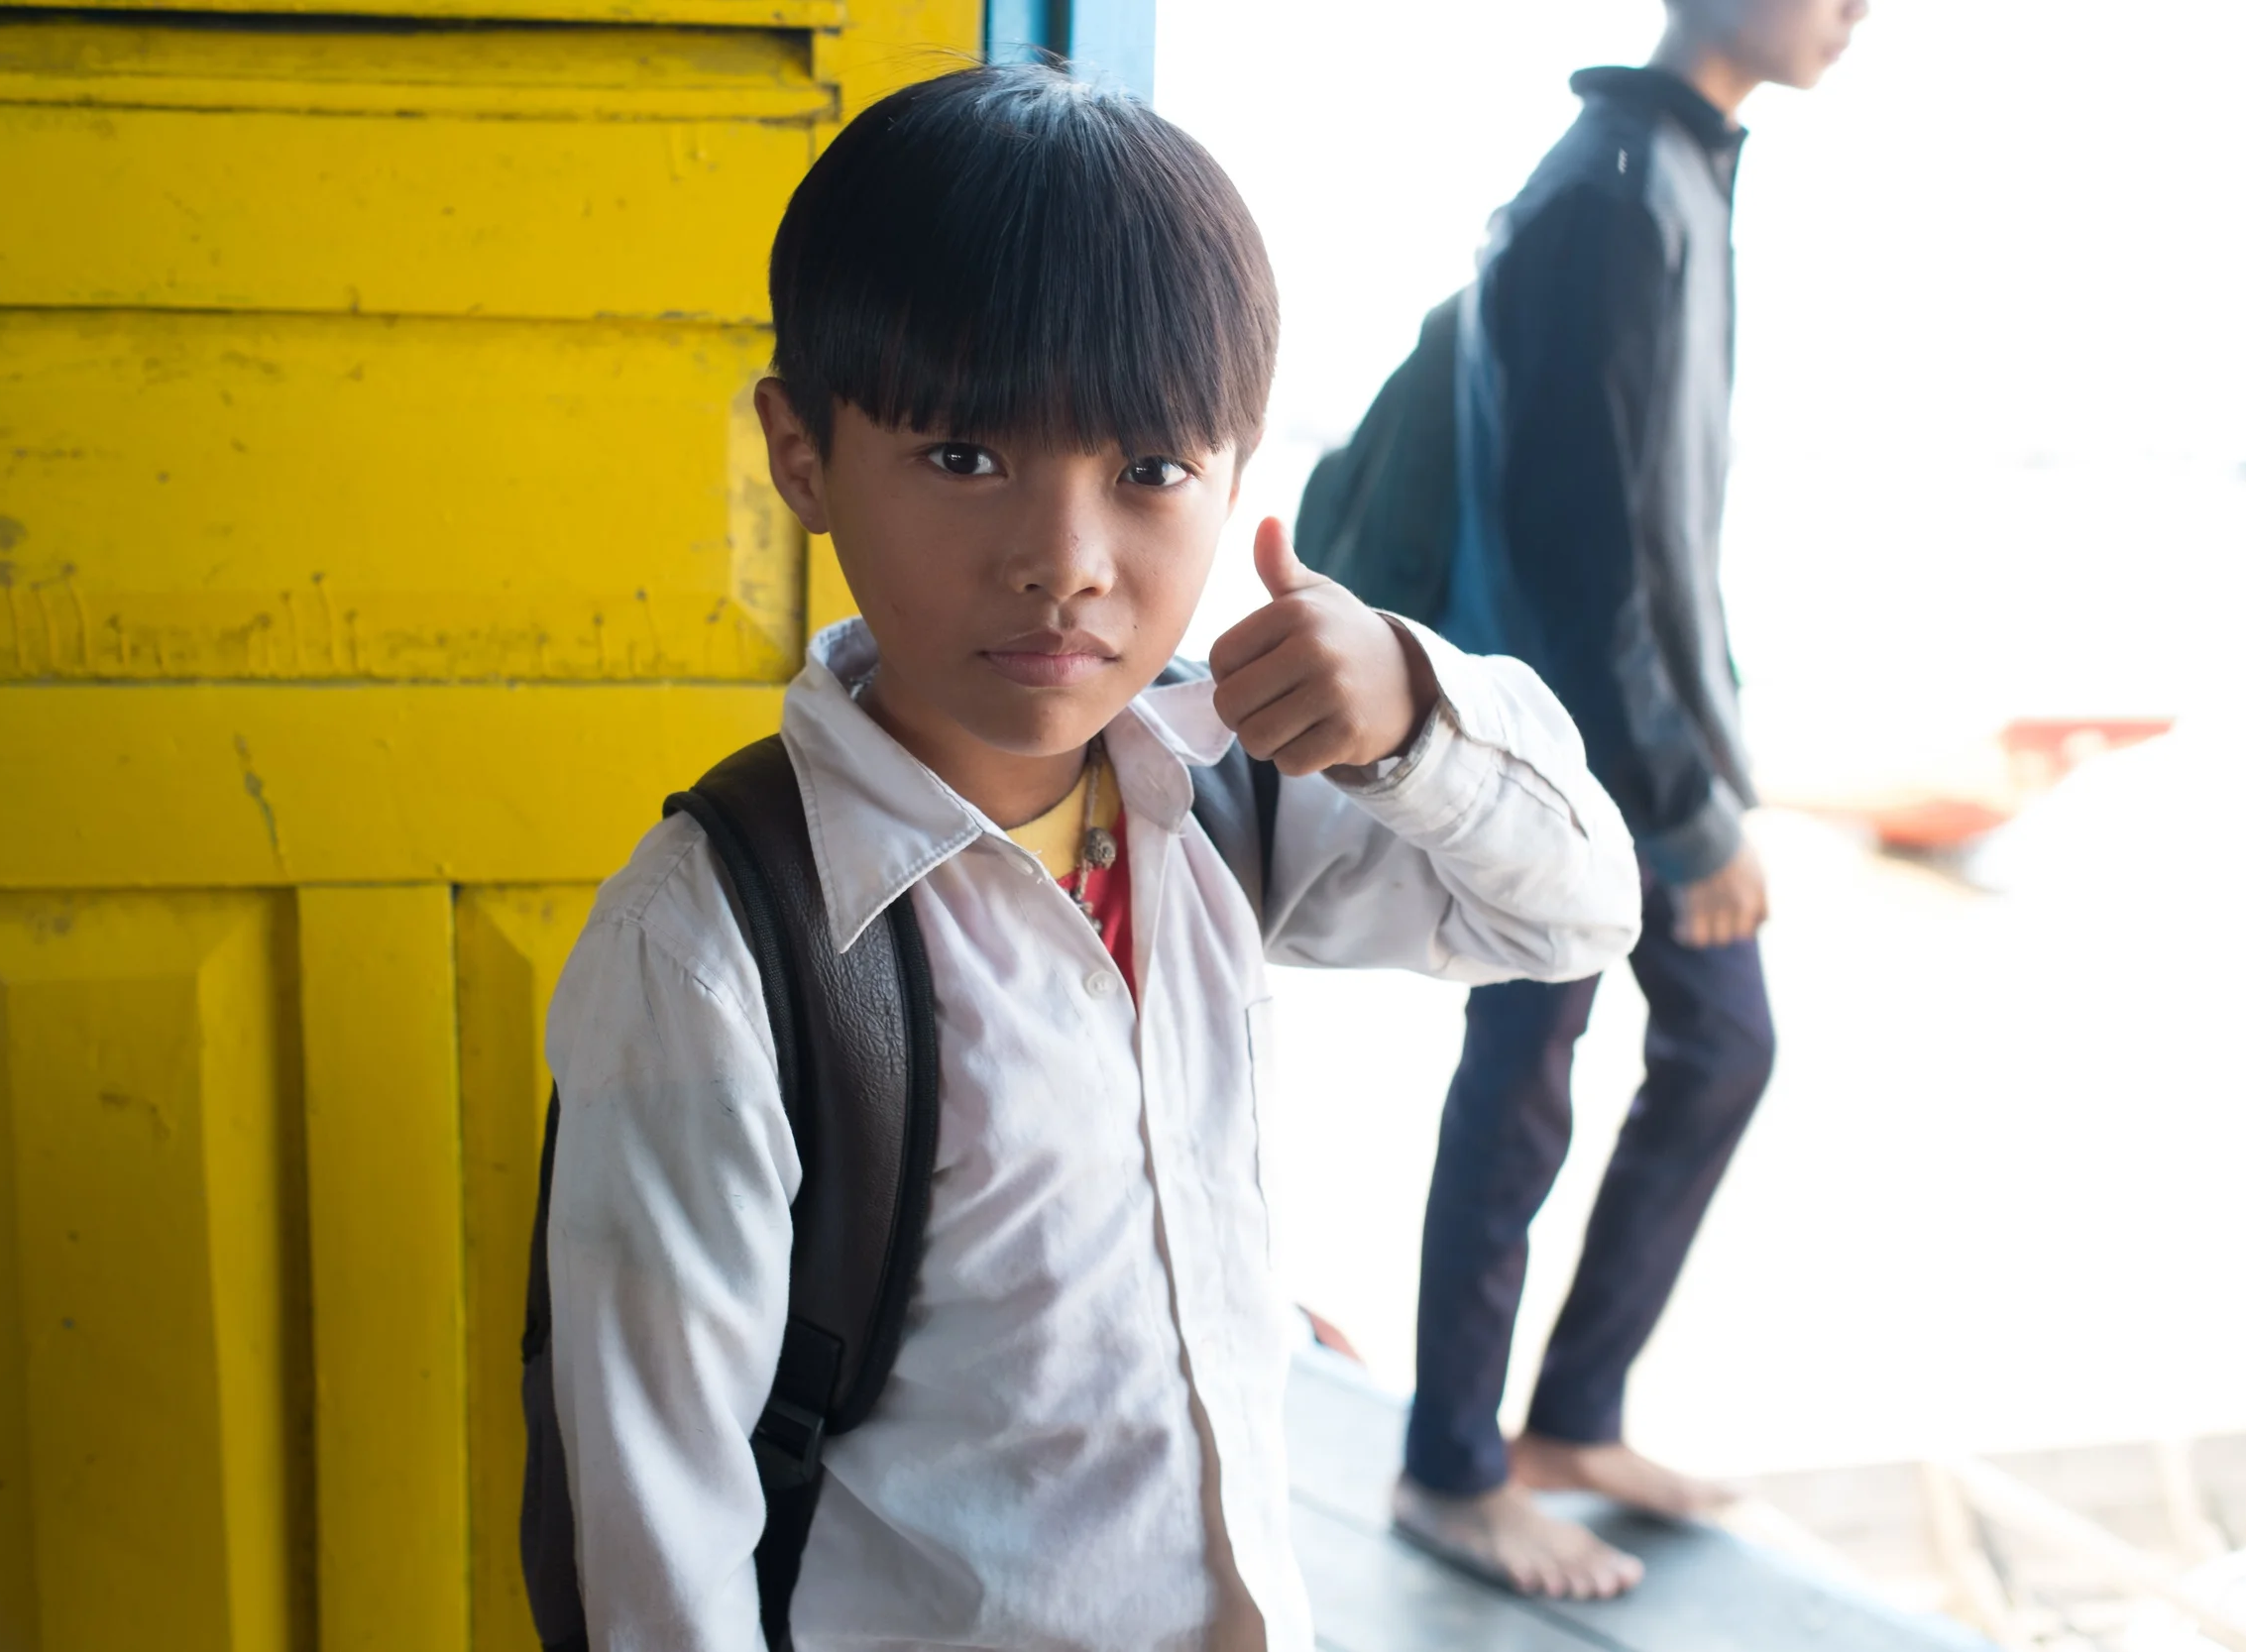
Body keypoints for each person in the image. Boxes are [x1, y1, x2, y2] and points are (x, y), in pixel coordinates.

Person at [542, 63, 1641, 1650]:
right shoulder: (716, 949)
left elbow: (1578, 909)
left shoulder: (1217, 800)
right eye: (966, 457)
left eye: (1147, 471)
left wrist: (1413, 712)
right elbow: (658, 1546)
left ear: (1237, 474)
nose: (1065, 563)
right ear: (801, 451)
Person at [1391, 0, 1871, 1601]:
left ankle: (1566, 1420)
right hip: (1574, 747)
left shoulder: (1667, 168)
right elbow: (1588, 538)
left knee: (1691, 1047)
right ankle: (1455, 1467)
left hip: (1618, 737)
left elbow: (1659, 528)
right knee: (1529, 1072)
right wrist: (1685, 808)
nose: (1862, 9)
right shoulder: (1615, 182)